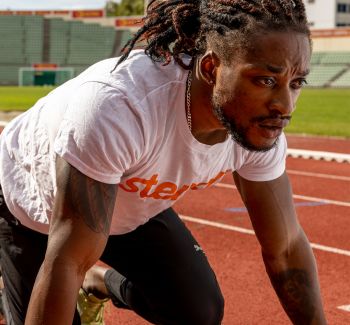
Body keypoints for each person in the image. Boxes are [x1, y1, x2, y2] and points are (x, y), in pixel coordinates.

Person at [0, 0, 327, 324]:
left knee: (197, 311)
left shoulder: (258, 128)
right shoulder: (120, 109)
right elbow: (67, 262)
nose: (284, 106)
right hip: (27, 206)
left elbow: (285, 249)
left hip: (124, 203)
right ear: (212, 68)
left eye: (296, 83)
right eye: (265, 81)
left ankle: (98, 284)